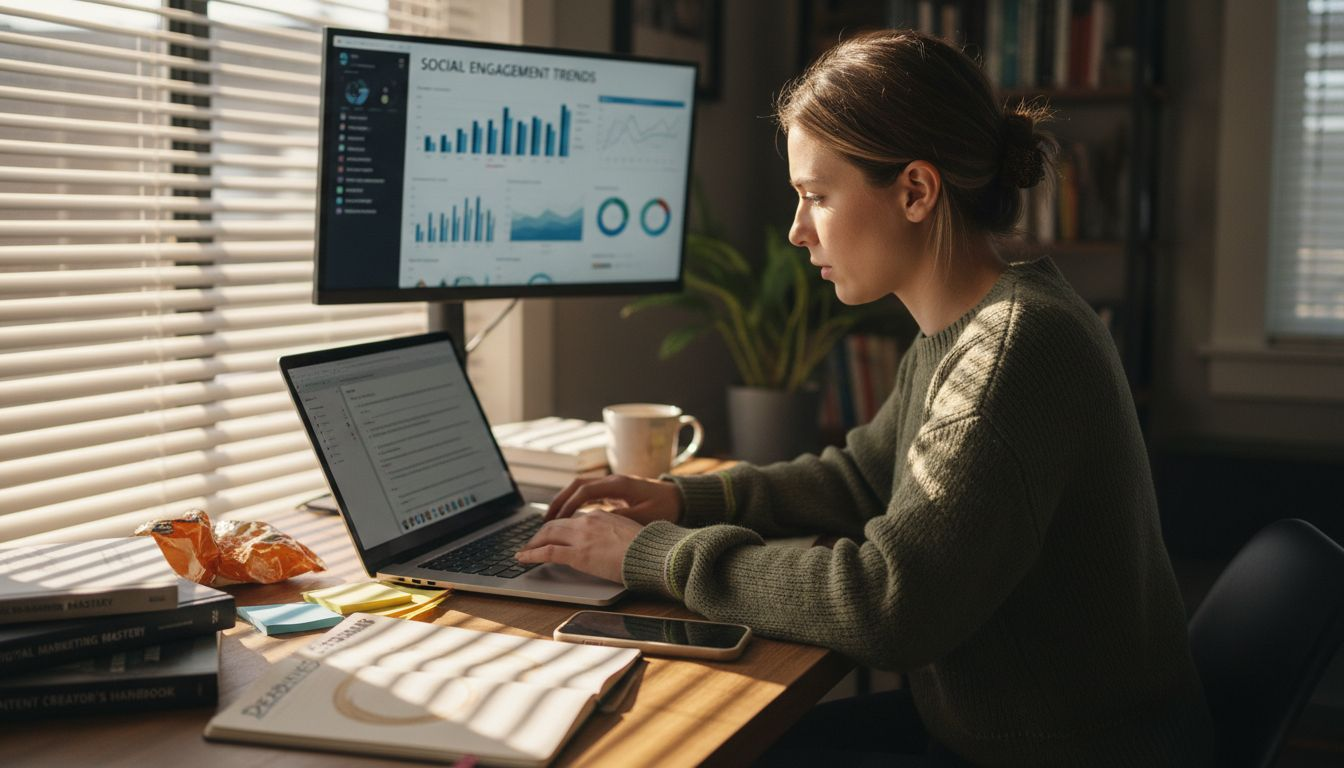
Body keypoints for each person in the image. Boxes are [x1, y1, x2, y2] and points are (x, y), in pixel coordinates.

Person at [516, 29, 1214, 767]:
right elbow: (863, 475)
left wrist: (654, 556)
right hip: (995, 734)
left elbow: (890, 604)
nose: (796, 230)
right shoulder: (974, 326)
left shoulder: (1012, 353)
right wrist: (687, 502)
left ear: (915, 190)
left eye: (816, 196)